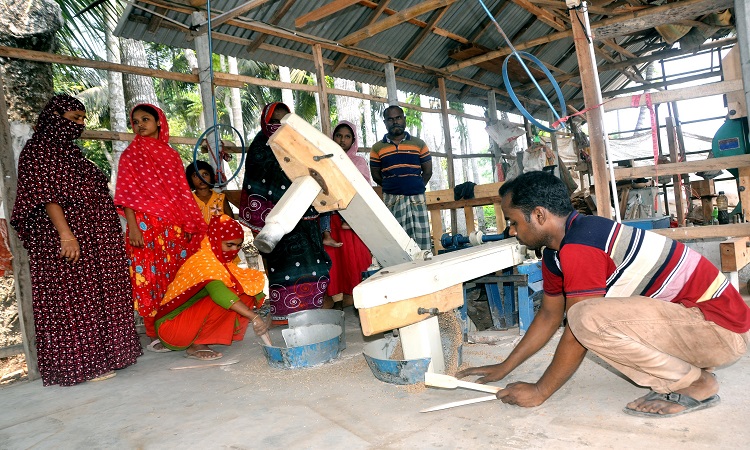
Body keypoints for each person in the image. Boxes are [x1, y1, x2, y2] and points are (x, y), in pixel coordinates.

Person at [457, 170, 750, 417]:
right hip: (697, 327)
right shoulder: (557, 252)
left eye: (513, 221)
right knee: (584, 316)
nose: (510, 230)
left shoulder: (581, 246)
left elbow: (578, 331)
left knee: (585, 317)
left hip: (721, 333)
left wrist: (540, 390)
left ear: (538, 215)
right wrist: (504, 366)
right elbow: (548, 315)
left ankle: (696, 383)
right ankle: (689, 369)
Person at [10, 95, 142, 386]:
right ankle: (79, 365)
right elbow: (47, 197)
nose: (79, 125)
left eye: (82, 120)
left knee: (98, 297)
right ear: (53, 117)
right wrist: (66, 235)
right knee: (73, 299)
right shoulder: (39, 151)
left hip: (96, 239)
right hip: (68, 238)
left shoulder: (70, 153)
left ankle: (107, 357)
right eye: (73, 119)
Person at [114, 103, 207, 350]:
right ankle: (157, 331)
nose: (140, 124)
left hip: (173, 226)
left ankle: (177, 326)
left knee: (175, 275)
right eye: (135, 121)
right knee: (149, 278)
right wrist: (133, 228)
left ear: (159, 122)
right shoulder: (130, 155)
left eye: (146, 119)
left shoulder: (171, 155)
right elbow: (126, 195)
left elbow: (181, 193)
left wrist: (188, 222)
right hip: (143, 225)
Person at [237, 102, 330, 323]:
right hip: (276, 220)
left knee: (315, 266)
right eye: (274, 121)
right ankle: (286, 316)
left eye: (284, 120)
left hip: (305, 218)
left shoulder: (299, 143)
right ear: (265, 122)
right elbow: (255, 185)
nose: (279, 125)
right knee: (284, 270)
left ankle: (313, 312)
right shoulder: (259, 148)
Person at [155, 215, 268, 360]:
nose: (234, 250)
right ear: (215, 240)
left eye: (238, 246)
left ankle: (207, 337)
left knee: (245, 290)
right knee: (230, 294)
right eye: (229, 245)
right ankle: (196, 345)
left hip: (185, 323)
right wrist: (255, 317)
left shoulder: (220, 260)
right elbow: (220, 295)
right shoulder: (204, 261)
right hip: (171, 328)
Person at [320, 121, 373, 309]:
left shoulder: (359, 162)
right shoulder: (324, 158)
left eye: (347, 136)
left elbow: (363, 187)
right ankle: (337, 302)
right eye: (339, 135)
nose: (342, 140)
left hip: (352, 217)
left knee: (355, 260)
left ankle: (360, 299)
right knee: (336, 261)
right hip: (331, 215)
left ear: (353, 140)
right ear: (333, 137)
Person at [370, 105, 432, 251]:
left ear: (404, 119)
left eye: (398, 117)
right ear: (385, 122)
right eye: (390, 119)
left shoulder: (419, 144)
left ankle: (425, 270)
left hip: (416, 197)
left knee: (421, 240)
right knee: (398, 241)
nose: (395, 122)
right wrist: (392, 186)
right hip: (392, 198)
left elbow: (428, 172)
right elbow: (376, 175)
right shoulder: (377, 148)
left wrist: (415, 185)